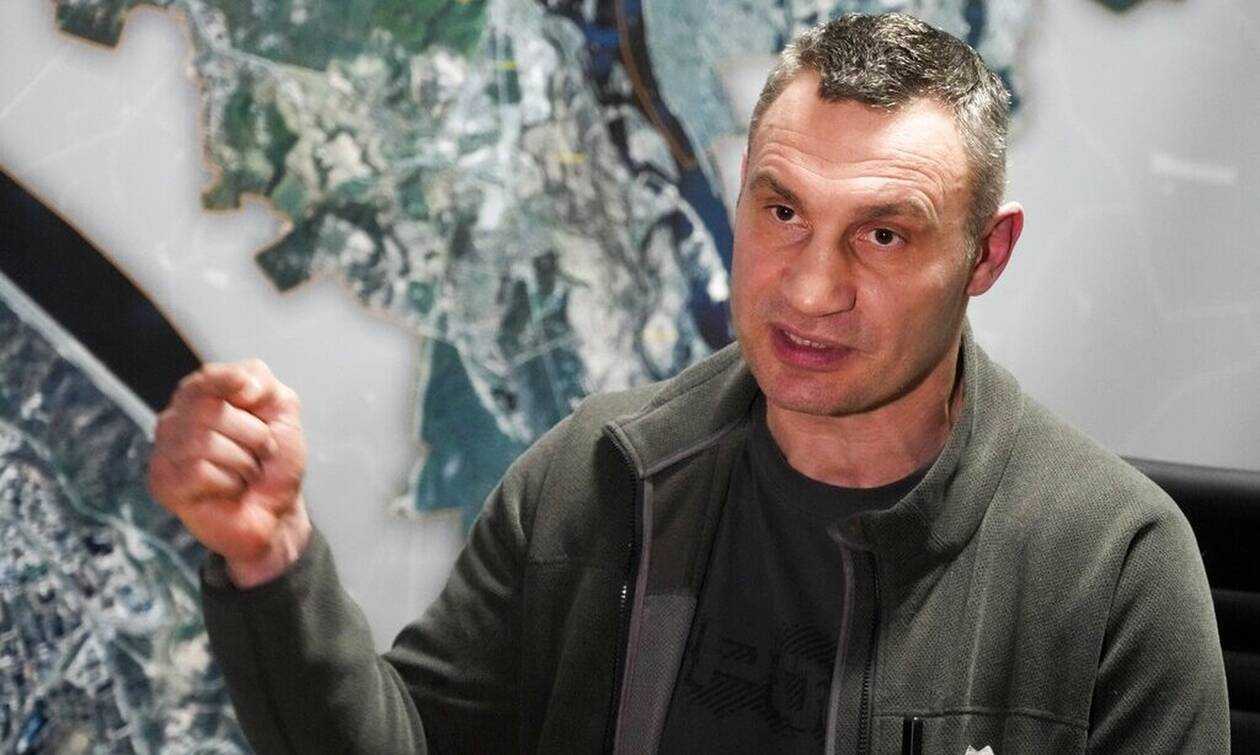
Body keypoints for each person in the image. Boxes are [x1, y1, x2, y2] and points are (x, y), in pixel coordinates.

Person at [148, 13, 1229, 754]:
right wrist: (270, 556)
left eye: (884, 234)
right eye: (782, 211)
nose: (810, 288)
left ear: (987, 254)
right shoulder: (600, 475)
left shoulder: (1114, 565)